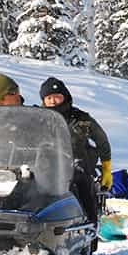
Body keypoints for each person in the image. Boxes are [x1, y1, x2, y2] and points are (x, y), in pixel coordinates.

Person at [39, 76, 112, 222]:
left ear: (65, 96)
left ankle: (91, 224)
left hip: (77, 165)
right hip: (45, 166)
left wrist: (106, 168)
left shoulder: (81, 118)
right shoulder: (38, 118)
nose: (53, 101)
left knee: (82, 182)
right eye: (49, 98)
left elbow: (102, 140)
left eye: (57, 97)